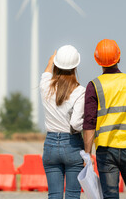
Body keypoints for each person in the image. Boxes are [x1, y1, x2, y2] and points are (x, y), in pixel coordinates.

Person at [83, 39, 126, 199]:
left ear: (98, 61)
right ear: (118, 57)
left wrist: (87, 153)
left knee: (110, 196)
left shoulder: (94, 85)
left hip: (106, 150)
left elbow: (89, 123)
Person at [40, 45, 85, 199]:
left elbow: (46, 73)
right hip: (72, 144)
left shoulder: (45, 85)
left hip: (50, 145)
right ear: (75, 66)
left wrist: (51, 61)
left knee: (54, 195)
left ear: (56, 64)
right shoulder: (80, 91)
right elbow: (76, 124)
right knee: (73, 195)